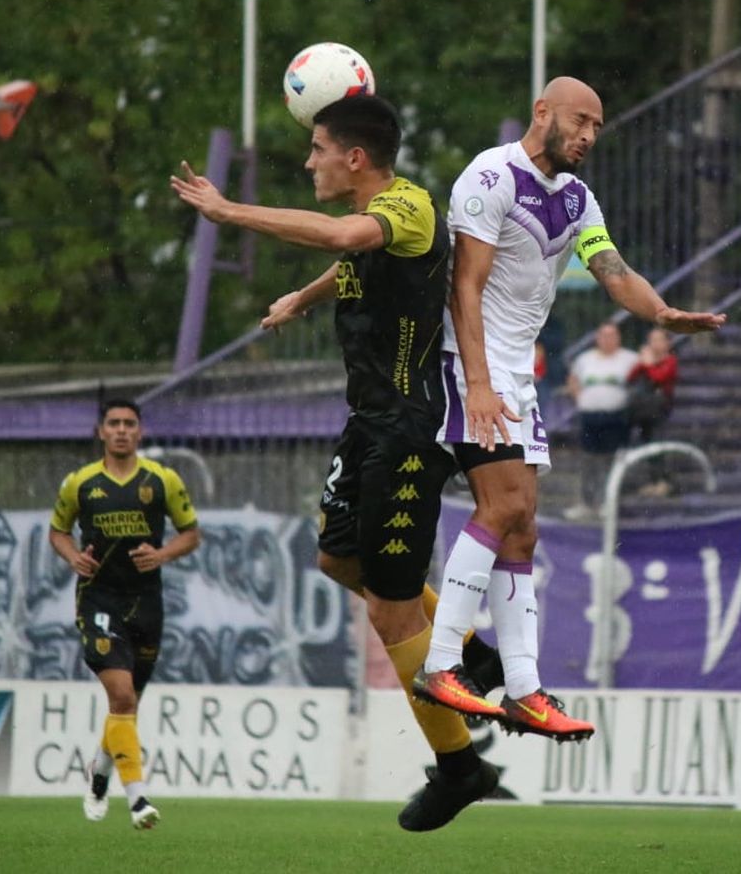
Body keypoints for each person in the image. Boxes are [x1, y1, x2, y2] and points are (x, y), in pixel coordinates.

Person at [170, 94, 502, 831]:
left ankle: (460, 767)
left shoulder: (408, 205)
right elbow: (354, 254)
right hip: (369, 426)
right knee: (338, 561)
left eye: (317, 148)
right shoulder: (381, 223)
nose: (308, 160)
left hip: (409, 432)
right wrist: (303, 297)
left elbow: (341, 234)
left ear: (356, 158)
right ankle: (476, 654)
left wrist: (231, 213)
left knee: (389, 608)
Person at [419, 76, 726, 740]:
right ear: (543, 113)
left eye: (597, 127)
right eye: (581, 121)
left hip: (517, 373)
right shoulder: (490, 175)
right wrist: (476, 383)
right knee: (500, 509)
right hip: (472, 362)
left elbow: (612, 270)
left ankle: (524, 689)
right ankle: (442, 661)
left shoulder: (579, 199)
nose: (589, 135)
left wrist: (665, 313)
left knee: (523, 526)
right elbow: (463, 290)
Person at [49, 398, 201, 831]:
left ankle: (99, 772)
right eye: (113, 423)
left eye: (128, 424)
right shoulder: (80, 483)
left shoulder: (162, 480)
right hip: (98, 601)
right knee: (121, 697)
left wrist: (163, 554)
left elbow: (192, 534)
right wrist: (73, 557)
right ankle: (137, 799)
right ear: (101, 432)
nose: (120, 430)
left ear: (140, 432)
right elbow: (57, 532)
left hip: (146, 603)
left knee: (126, 706)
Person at [565, 321, 640, 516]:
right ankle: (587, 503)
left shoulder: (630, 359)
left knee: (612, 460)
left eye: (612, 335)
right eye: (603, 335)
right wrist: (580, 397)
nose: (607, 339)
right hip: (590, 416)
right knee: (589, 460)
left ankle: (610, 502)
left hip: (616, 416)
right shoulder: (585, 359)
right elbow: (573, 380)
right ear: (597, 338)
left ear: (618, 337)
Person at [628, 327, 681, 496]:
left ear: (668, 343)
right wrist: (641, 362)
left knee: (658, 445)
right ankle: (653, 480)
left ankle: (665, 481)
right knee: (647, 444)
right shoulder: (646, 360)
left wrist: (649, 364)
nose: (655, 344)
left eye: (659, 340)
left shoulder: (670, 361)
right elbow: (630, 377)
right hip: (643, 412)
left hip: (659, 410)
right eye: (652, 340)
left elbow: (659, 378)